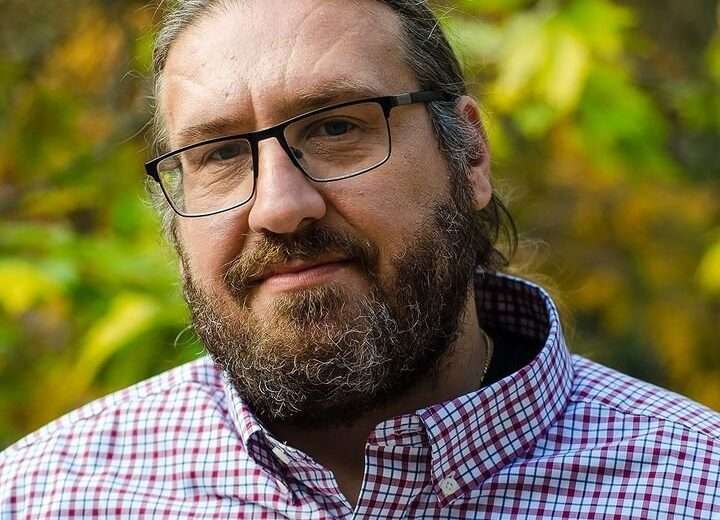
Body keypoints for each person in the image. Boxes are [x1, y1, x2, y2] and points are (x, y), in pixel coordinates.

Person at [1, 0, 719, 517]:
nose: (280, 207)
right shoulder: (42, 497)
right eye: (218, 155)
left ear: (469, 155)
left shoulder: (698, 486)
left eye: (337, 128)